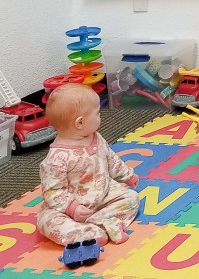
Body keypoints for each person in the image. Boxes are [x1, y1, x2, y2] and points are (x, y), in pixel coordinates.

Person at [37, 83, 140, 269]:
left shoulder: (95, 137)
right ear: (80, 123)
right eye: (97, 113)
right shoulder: (56, 158)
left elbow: (110, 159)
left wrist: (127, 176)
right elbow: (52, 191)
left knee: (131, 198)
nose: (101, 116)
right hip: (69, 208)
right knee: (47, 222)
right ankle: (90, 232)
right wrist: (72, 208)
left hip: (103, 194)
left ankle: (102, 222)